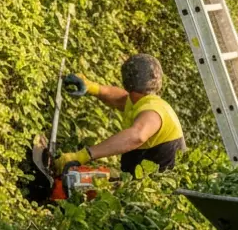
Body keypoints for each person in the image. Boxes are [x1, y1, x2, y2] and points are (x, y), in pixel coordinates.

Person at [54, 53, 186, 174]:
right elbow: (120, 98)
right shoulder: (140, 101)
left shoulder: (153, 110)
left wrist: (84, 155)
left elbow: (137, 136)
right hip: (138, 179)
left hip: (159, 189)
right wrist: (91, 87)